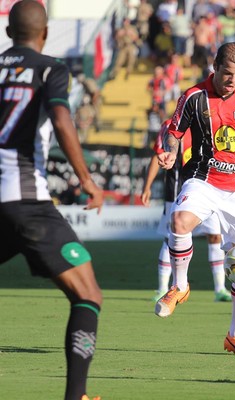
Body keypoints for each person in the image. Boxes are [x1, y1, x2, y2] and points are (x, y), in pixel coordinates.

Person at [155, 42, 235, 356]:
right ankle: (180, 286)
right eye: (227, 73)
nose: (232, 80)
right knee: (179, 220)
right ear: (215, 66)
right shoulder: (193, 97)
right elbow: (173, 132)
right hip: (204, 181)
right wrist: (170, 154)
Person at [0, 2, 103, 400]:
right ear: (44, 34)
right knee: (88, 293)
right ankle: (75, 396)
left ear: (9, 33)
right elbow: (61, 119)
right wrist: (87, 180)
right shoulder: (50, 68)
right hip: (26, 202)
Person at [141, 119, 231, 302]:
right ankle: (162, 289)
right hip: (177, 191)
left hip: (207, 189)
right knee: (170, 238)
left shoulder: (211, 122)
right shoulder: (169, 126)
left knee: (215, 236)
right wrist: (147, 186)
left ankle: (220, 289)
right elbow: (158, 154)